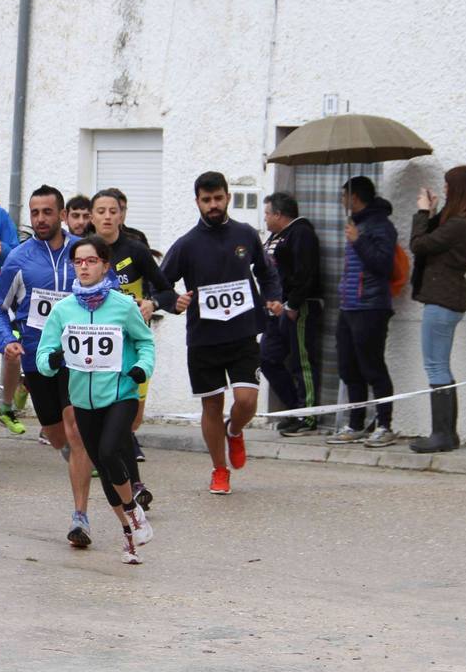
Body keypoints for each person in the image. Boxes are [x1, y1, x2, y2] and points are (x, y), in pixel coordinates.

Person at [0, 186, 100, 546]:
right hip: (38, 360)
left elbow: (107, 290)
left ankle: (80, 517)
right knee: (56, 434)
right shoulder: (19, 259)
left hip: (78, 358)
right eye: (34, 213)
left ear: (63, 214)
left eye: (47, 212)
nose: (40, 219)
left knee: (75, 429)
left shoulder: (82, 254)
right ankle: (75, 458)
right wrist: (7, 341)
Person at [36, 236, 155, 564]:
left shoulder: (123, 306)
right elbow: (44, 353)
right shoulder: (63, 310)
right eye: (78, 261)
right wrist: (53, 361)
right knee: (103, 470)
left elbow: (145, 342)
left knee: (107, 450)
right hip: (83, 402)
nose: (84, 267)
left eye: (91, 261)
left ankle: (133, 513)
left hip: (121, 394)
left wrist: (141, 369)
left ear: (105, 265)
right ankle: (129, 535)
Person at [160, 171, 281, 495]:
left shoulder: (245, 234)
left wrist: (273, 297)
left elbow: (267, 272)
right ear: (198, 201)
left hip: (242, 334)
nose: (213, 205)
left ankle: (236, 429)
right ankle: (219, 469)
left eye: (218, 198)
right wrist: (174, 301)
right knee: (211, 407)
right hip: (203, 339)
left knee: (246, 400)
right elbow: (160, 284)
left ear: (227, 197)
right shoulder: (186, 245)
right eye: (206, 200)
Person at [89, 188, 176, 505]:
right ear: (92, 216)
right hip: (95, 350)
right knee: (116, 417)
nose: (108, 217)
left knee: (131, 419)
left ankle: (124, 479)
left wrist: (152, 303)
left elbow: (168, 292)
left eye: (113, 211)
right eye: (101, 211)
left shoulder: (136, 251)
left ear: (121, 215)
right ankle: (133, 485)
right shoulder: (83, 250)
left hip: (132, 349)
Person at [408, 165, 466, 453]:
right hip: (447, 299)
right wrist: (434, 211)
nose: (446, 189)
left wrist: (422, 213)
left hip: (442, 301)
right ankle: (447, 435)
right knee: (440, 366)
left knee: (435, 365)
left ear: (460, 189)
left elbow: (419, 244)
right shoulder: (463, 221)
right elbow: (435, 238)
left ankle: (441, 434)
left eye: (449, 186)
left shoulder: (460, 224)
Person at [327, 176, 399, 448]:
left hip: (371, 307)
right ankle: (355, 423)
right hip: (349, 306)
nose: (342, 201)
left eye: (344, 196)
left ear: (355, 198)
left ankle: (384, 425)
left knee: (373, 367)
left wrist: (358, 241)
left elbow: (383, 265)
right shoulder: (357, 223)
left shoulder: (382, 225)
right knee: (348, 366)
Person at [259, 192, 324, 437]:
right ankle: (294, 409)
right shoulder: (276, 236)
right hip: (275, 309)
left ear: (278, 214)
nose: (264, 218)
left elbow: (306, 272)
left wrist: (293, 304)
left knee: (302, 361)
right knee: (266, 357)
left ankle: (307, 418)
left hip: (299, 307)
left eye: (266, 213)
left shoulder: (301, 233)